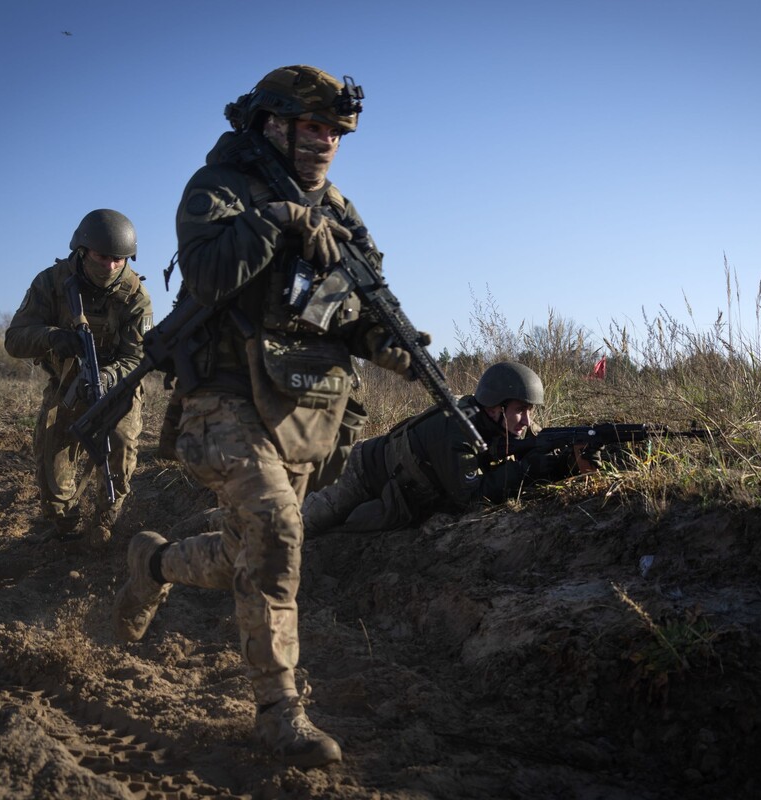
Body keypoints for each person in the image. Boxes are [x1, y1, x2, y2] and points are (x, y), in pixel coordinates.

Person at [112, 65, 419, 769]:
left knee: (254, 552)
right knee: (279, 529)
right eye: (311, 127)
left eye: (334, 131)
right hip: (219, 395)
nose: (324, 142)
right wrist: (278, 220)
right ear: (270, 123)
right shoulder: (218, 188)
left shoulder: (341, 211)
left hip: (303, 404)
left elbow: (354, 307)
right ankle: (279, 712)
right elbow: (212, 274)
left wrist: (400, 351)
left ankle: (153, 562)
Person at [5, 209, 152, 548]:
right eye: (104, 256)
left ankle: (105, 521)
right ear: (83, 250)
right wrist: (52, 337)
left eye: (120, 259)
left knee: (119, 446)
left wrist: (106, 375)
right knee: (53, 477)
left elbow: (139, 358)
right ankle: (66, 528)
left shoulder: (135, 296)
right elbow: (14, 340)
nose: (112, 266)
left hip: (118, 389)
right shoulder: (51, 282)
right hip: (66, 385)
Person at [301, 361, 585, 535]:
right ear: (496, 406)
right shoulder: (457, 428)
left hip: (395, 487)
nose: (527, 420)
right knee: (303, 525)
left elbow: (535, 448)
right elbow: (470, 497)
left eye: (530, 411)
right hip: (358, 469)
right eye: (521, 410)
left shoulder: (506, 424)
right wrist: (524, 469)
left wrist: (563, 464)